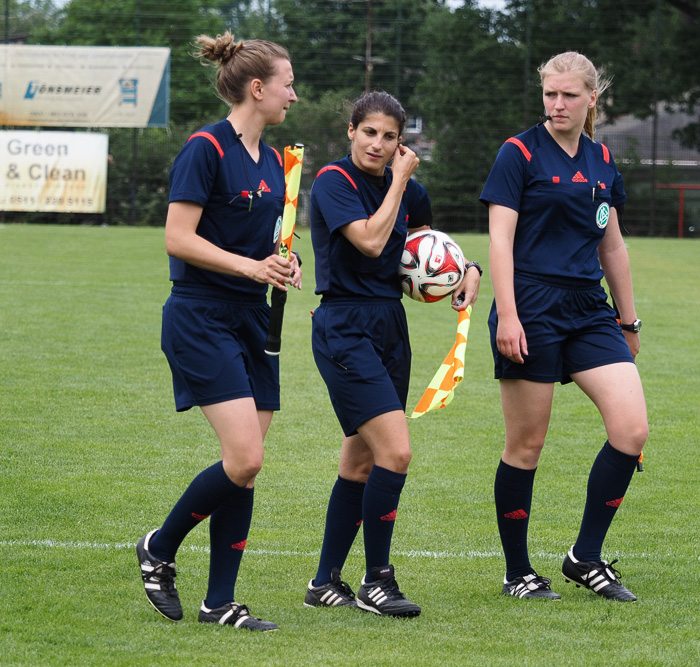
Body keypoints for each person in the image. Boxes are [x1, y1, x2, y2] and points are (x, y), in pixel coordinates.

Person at [136, 31, 299, 632]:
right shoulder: (204, 148)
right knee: (246, 455)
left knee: (245, 465)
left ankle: (219, 602)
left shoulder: (275, 162)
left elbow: (265, 243)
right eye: (287, 84)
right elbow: (177, 238)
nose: (294, 95)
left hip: (254, 319)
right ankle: (158, 547)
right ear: (257, 88)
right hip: (201, 316)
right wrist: (251, 267)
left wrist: (283, 262)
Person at [305, 90, 481, 618]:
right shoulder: (333, 181)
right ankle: (377, 581)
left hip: (389, 325)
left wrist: (467, 270)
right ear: (351, 131)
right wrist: (399, 181)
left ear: (401, 141)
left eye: (389, 137)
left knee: (361, 460)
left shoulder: (411, 191)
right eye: (369, 132)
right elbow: (371, 241)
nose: (377, 145)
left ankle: (324, 582)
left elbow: (428, 247)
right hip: (344, 325)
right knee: (396, 453)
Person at [479, 51, 648, 602]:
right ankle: (518, 572)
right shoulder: (519, 152)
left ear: (591, 99)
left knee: (631, 431)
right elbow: (500, 240)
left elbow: (612, 245)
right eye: (550, 94)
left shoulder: (602, 159)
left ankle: (585, 557)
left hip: (589, 309)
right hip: (530, 304)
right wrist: (508, 314)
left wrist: (628, 319)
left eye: (569, 95)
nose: (557, 104)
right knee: (527, 445)